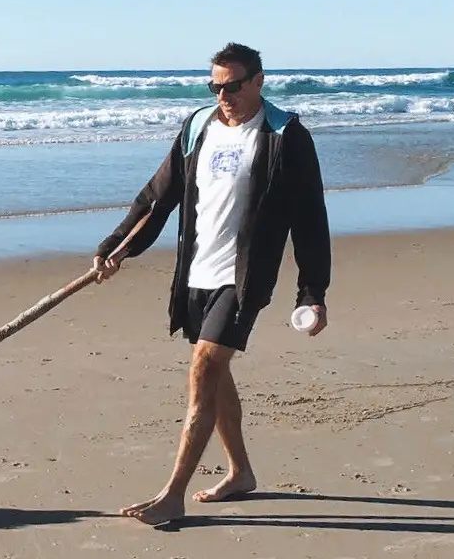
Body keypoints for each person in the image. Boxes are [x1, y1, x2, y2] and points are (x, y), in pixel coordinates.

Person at [92, 43, 330, 526]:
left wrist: (312, 293)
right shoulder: (198, 127)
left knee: (204, 368)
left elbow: (310, 219)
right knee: (216, 374)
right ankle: (240, 472)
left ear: (259, 81)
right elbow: (158, 197)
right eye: (216, 86)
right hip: (196, 273)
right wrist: (119, 244)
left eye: (234, 85)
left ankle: (172, 493)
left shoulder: (285, 136)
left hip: (244, 278)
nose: (225, 95)